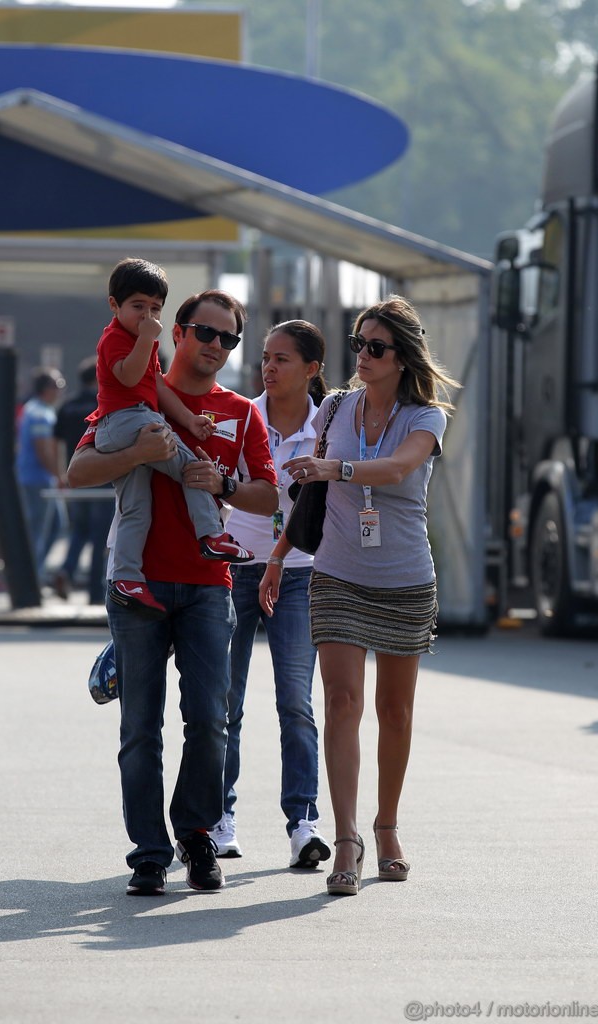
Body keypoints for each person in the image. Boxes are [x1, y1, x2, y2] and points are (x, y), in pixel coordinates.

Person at [67, 288, 278, 896]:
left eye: (228, 338)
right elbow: (78, 471)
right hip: (138, 585)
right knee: (140, 729)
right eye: (205, 333)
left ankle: (195, 835)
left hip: (210, 586)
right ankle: (149, 854)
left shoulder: (240, 410)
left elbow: (268, 495)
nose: (215, 346)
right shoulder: (134, 390)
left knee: (211, 720)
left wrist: (227, 485)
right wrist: (138, 451)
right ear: (175, 331)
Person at [259, 294, 459, 897]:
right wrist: (275, 560)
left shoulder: (426, 417)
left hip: (404, 579)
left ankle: (387, 825)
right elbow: (306, 501)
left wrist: (337, 471)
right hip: (337, 573)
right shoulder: (336, 409)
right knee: (342, 704)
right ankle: (347, 836)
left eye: (377, 347)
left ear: (402, 357)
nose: (364, 356)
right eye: (359, 345)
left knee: (395, 714)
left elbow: (398, 468)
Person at [213, 320, 331, 869]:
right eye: (265, 357)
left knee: (295, 702)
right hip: (234, 567)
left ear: (312, 369)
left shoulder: (328, 425)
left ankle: (303, 823)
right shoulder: (241, 414)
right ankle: (219, 818)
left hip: (301, 572)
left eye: (282, 358)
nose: (269, 366)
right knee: (224, 704)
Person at [88, 257, 253, 619]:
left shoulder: (242, 410)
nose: (147, 317)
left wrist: (189, 420)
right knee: (192, 467)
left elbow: (156, 386)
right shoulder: (118, 338)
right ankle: (211, 535)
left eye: (155, 309)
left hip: (131, 422)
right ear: (114, 305)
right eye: (138, 307)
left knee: (136, 509)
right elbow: (131, 380)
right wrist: (147, 339)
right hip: (129, 421)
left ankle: (126, 578)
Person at [53, 356, 114, 604]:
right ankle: (94, 593)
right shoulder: (103, 404)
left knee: (79, 530)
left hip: (75, 476)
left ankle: (66, 570)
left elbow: (55, 441)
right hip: (101, 476)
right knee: (101, 537)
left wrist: (61, 474)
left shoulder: (67, 405)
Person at [15, 366, 66, 580]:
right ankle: (31, 578)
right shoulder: (41, 414)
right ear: (47, 388)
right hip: (38, 482)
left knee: (56, 526)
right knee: (38, 532)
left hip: (38, 480)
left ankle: (35, 573)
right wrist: (58, 476)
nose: (61, 391)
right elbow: (43, 449)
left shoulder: (32, 409)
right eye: (59, 385)